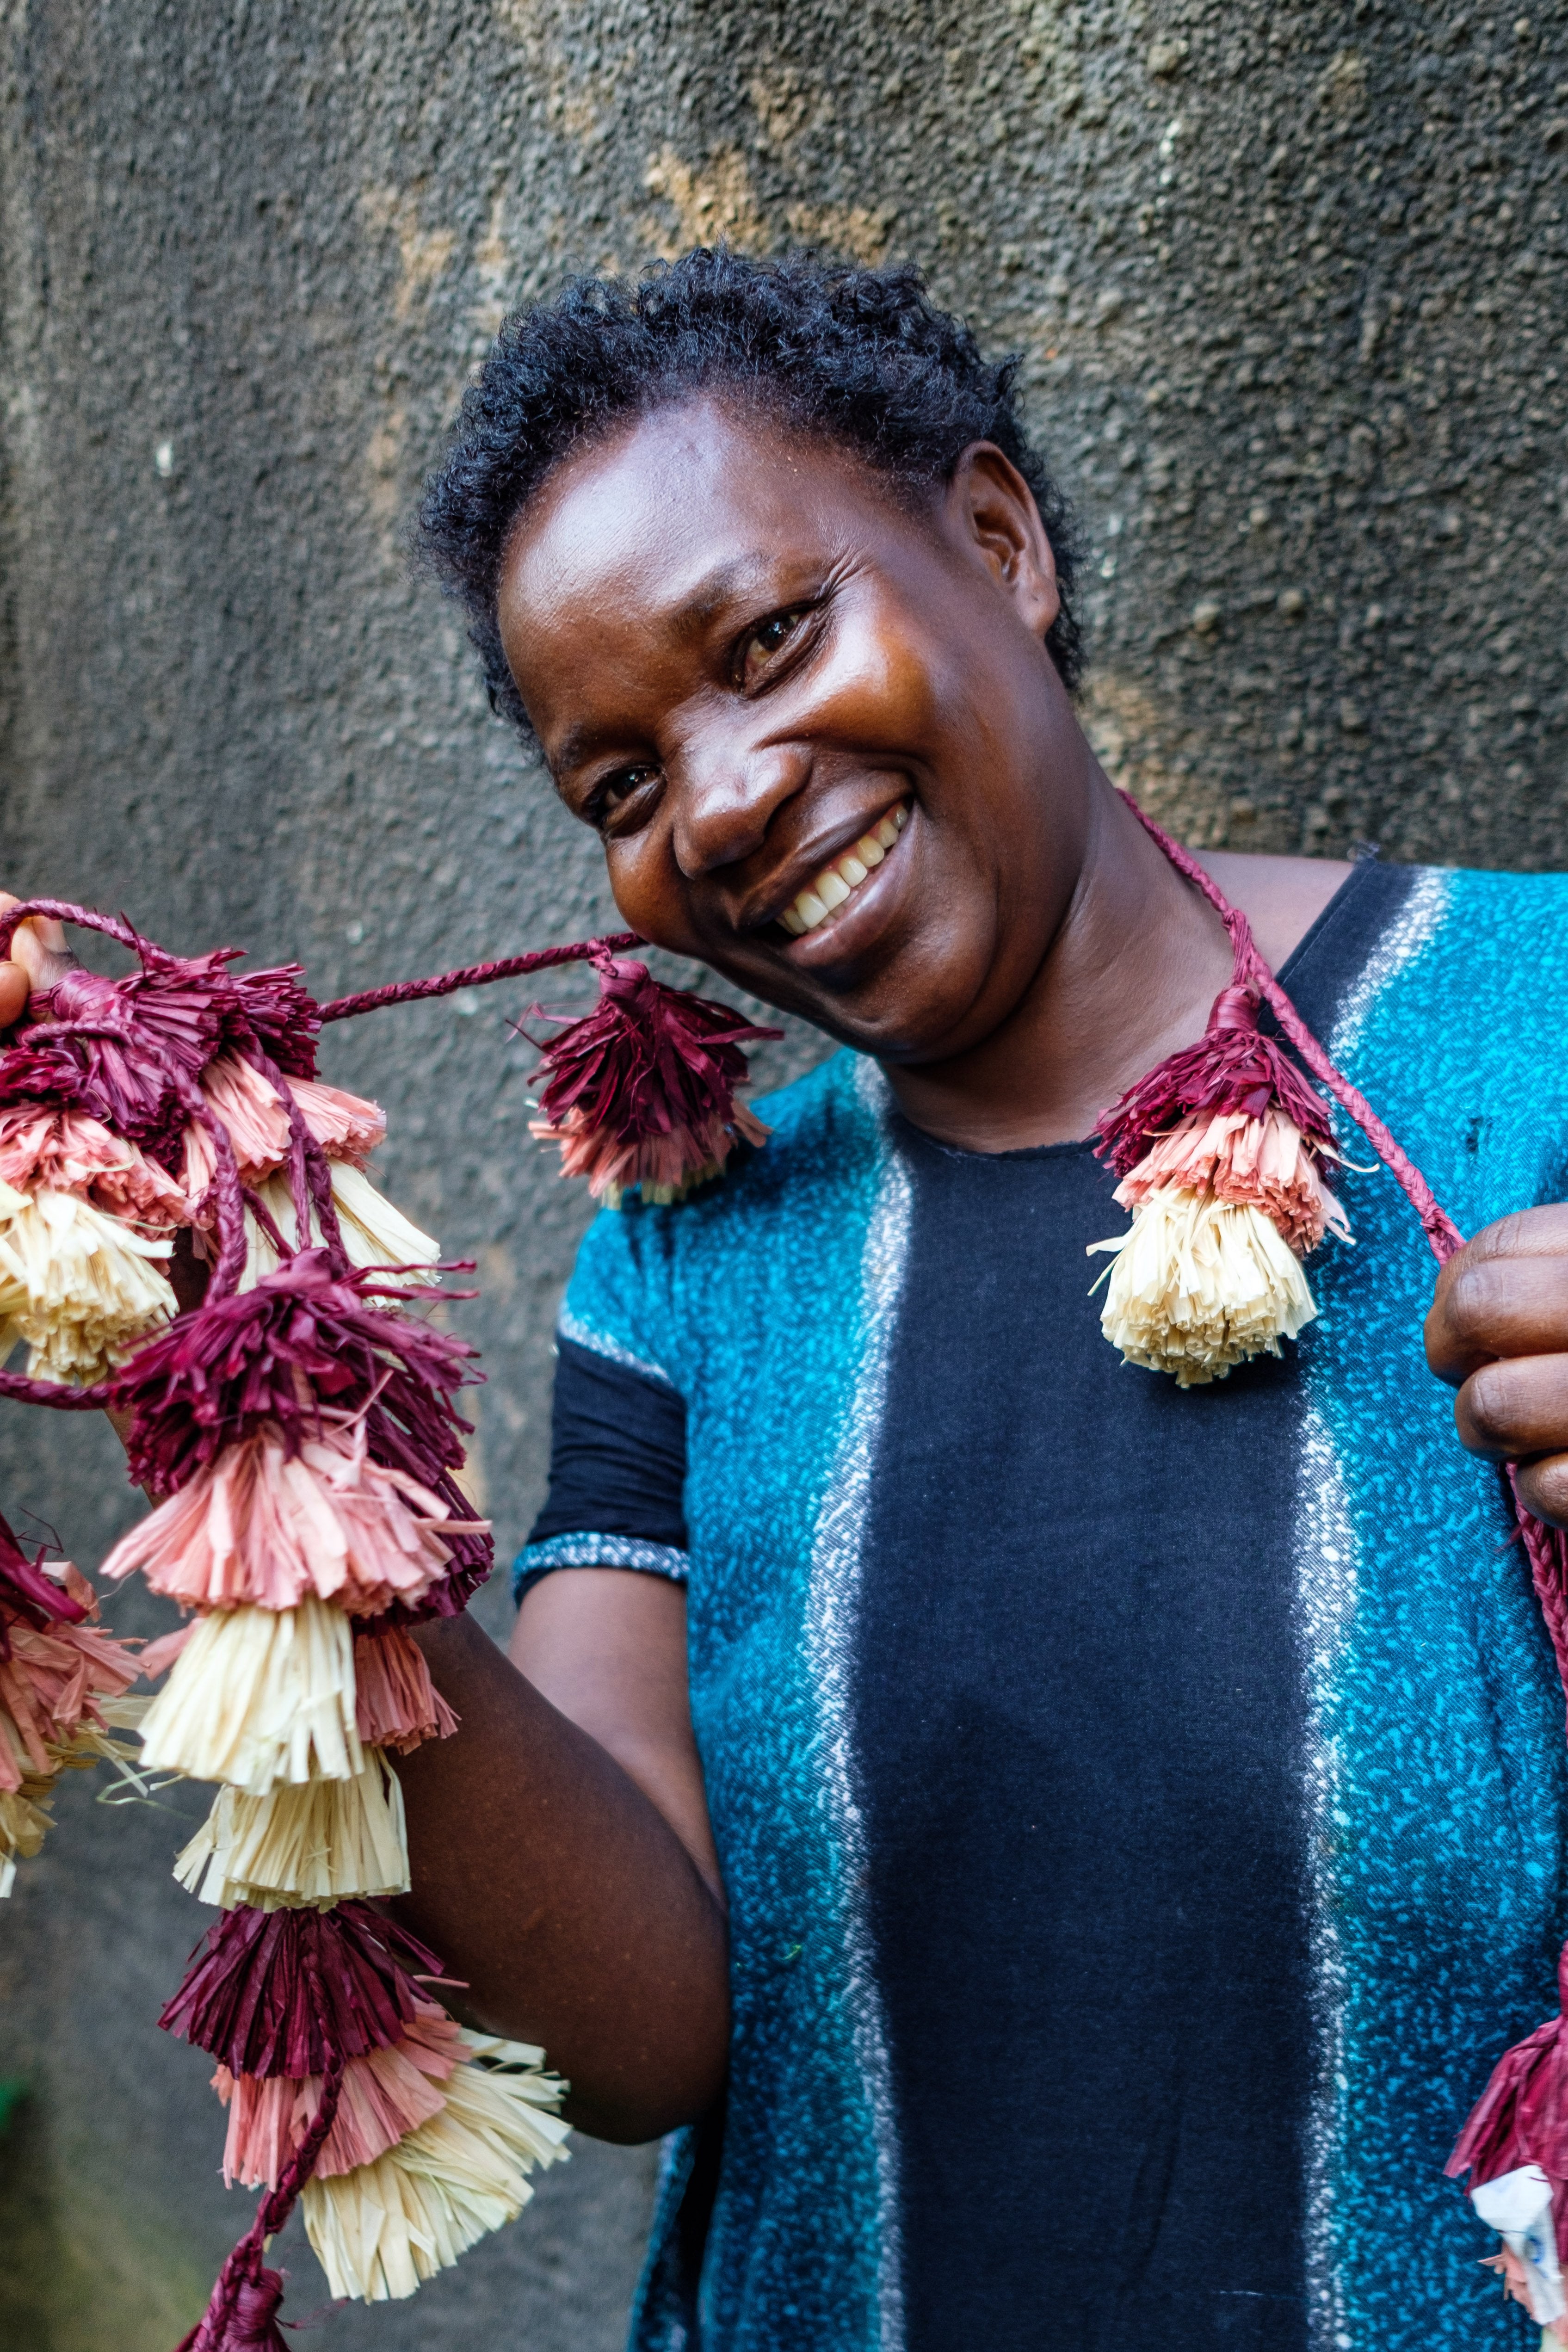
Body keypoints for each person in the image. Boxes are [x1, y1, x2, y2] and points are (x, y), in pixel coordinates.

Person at [7, 249, 1568, 2351]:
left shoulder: (1525, 1033)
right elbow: (651, 2043)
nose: (721, 803)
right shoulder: (689, 1263)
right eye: (622, 790)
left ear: (995, 543)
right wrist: (279, 1442)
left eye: (766, 636)